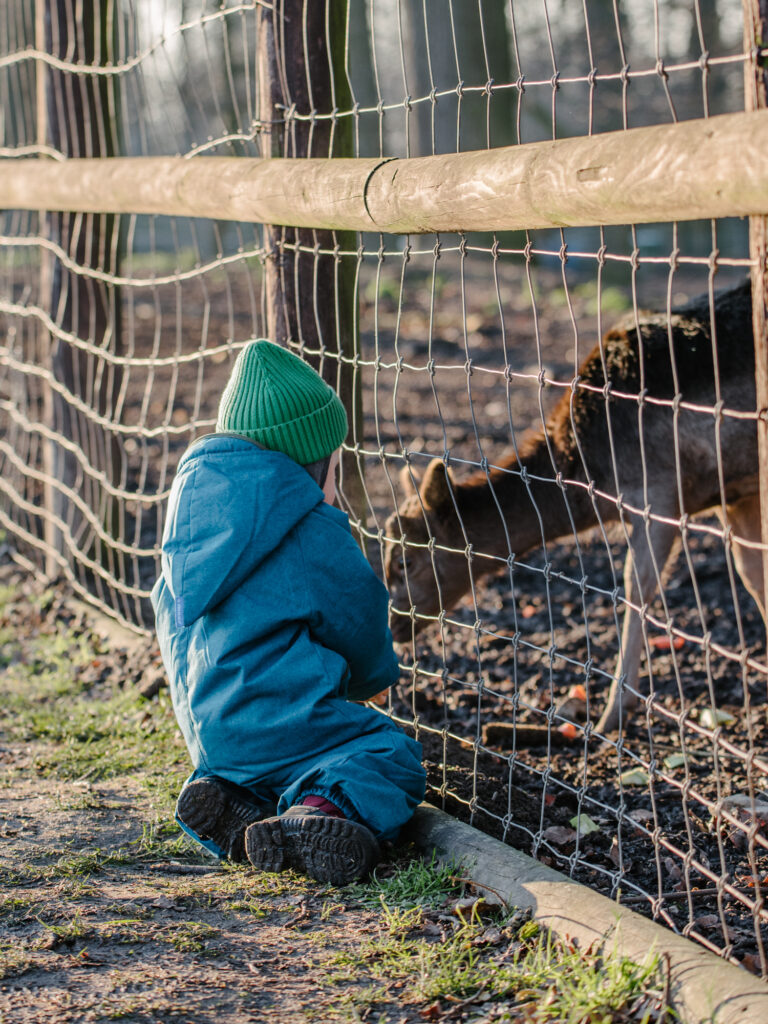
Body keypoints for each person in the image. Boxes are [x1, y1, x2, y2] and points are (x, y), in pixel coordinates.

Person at [151, 340, 426, 886]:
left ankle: (235, 803)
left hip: (212, 731)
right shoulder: (309, 530)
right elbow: (358, 615)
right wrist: (373, 679)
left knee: (264, 763)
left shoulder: (188, 524)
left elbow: (169, 620)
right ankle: (318, 814)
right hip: (286, 725)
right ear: (313, 462)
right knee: (388, 753)